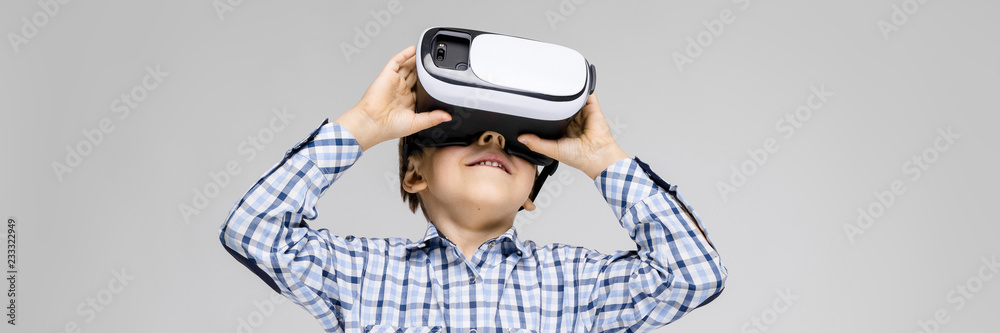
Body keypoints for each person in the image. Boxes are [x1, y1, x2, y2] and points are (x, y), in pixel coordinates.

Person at [219, 46, 727, 332]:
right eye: (465, 132)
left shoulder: (578, 283)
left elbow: (695, 275)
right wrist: (365, 123)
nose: (491, 139)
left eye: (519, 145)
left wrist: (604, 162)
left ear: (532, 192)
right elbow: (253, 231)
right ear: (413, 174)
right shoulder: (362, 273)